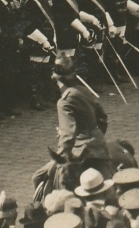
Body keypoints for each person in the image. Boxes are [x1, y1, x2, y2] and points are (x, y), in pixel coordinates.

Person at [48, 50, 111, 193]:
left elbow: (68, 134)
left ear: (55, 78)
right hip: (100, 147)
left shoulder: (63, 102)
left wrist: (61, 159)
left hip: (82, 152)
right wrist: (96, 134)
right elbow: (102, 117)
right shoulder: (83, 90)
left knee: (39, 177)